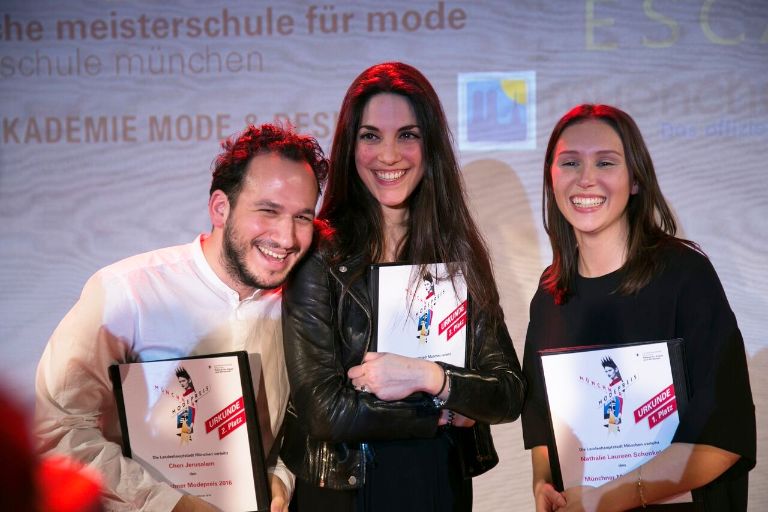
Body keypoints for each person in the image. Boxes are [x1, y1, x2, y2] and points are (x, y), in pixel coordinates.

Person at [35, 123, 329, 512]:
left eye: (302, 217)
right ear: (220, 208)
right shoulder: (128, 291)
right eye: (268, 211)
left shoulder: (301, 303)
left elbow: (301, 421)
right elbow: (58, 431)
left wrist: (281, 476)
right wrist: (170, 503)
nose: (287, 237)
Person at [280, 61, 526, 511]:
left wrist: (426, 376)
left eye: (407, 135)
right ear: (350, 146)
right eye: (370, 136)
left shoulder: (456, 250)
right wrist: (441, 411)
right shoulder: (318, 253)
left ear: (430, 146)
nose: (389, 155)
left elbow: (508, 391)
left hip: (437, 481)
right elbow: (323, 410)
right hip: (343, 488)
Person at [521, 104, 755, 511]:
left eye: (605, 162)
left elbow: (724, 435)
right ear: (551, 178)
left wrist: (608, 498)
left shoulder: (685, 276)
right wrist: (543, 482)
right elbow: (543, 420)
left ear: (635, 180)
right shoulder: (550, 294)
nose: (586, 178)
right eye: (570, 162)